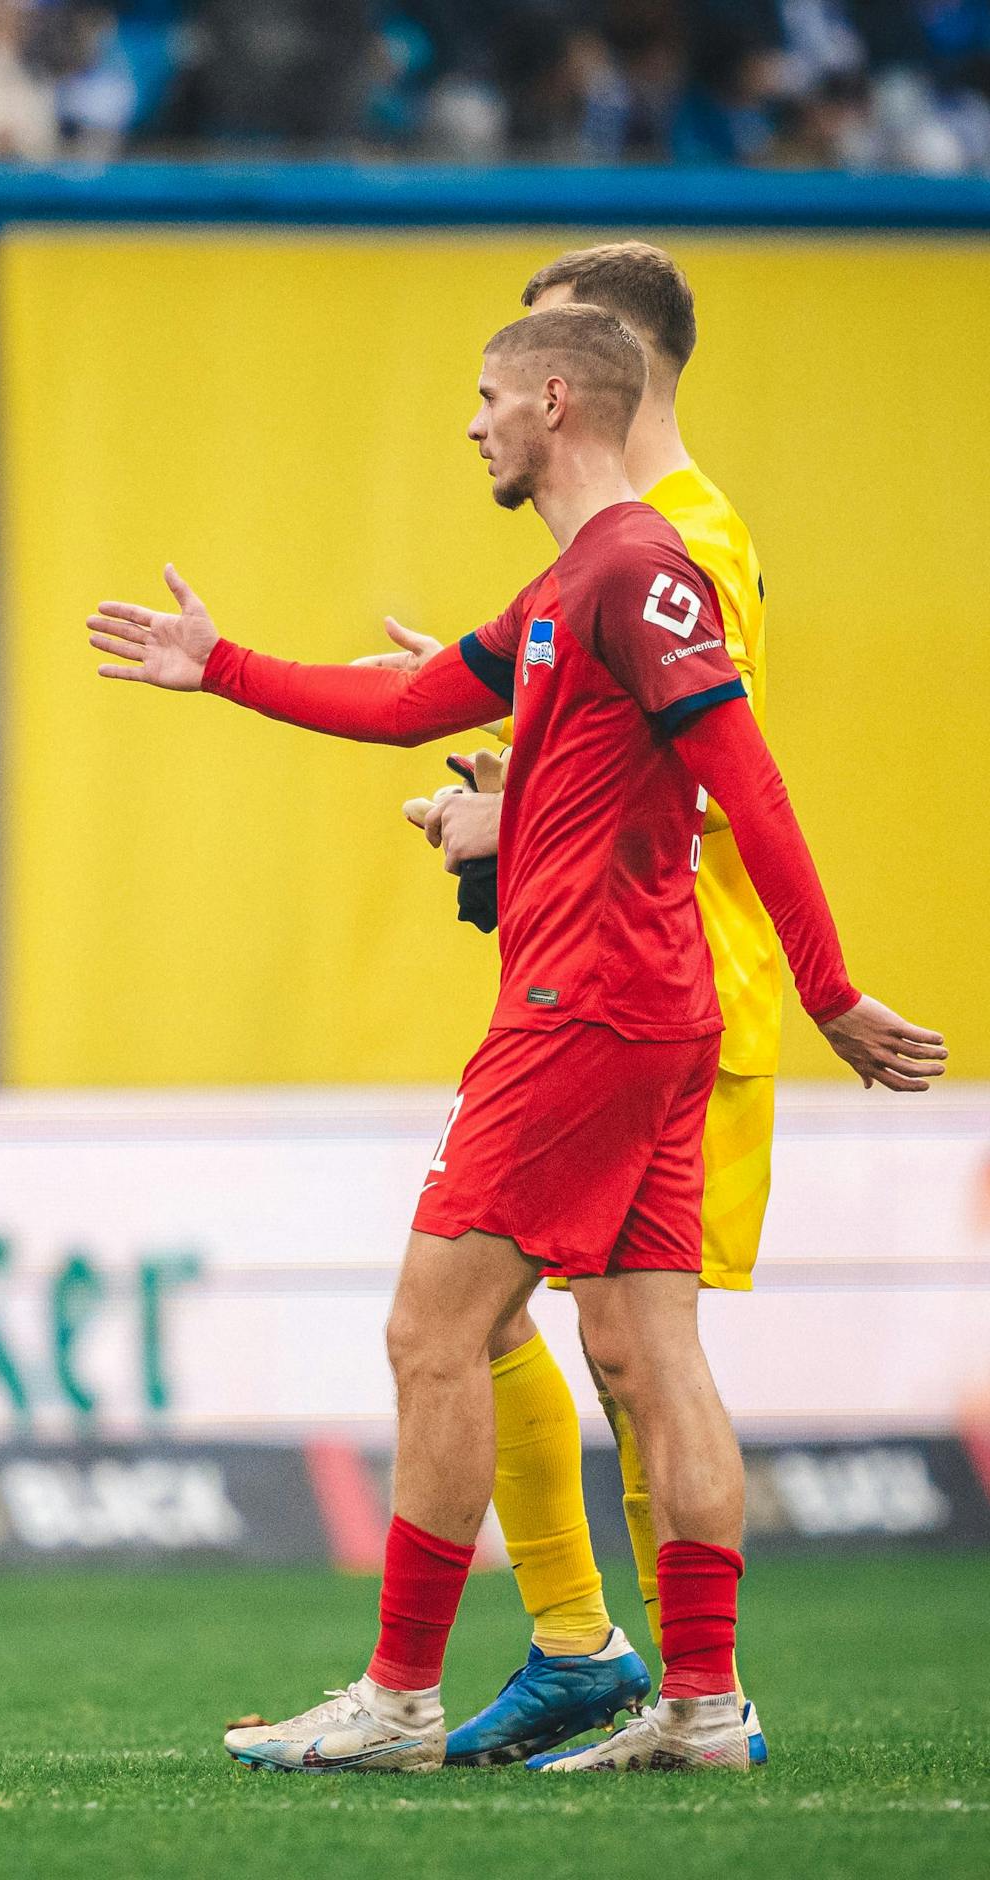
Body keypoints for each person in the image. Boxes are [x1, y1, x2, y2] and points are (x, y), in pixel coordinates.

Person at [85, 303, 942, 1774]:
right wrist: (221, 665)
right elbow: (416, 699)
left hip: (588, 1014)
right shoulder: (574, 584)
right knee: (652, 1353)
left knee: (438, 1328)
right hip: (649, 1009)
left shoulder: (640, 571)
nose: (470, 423)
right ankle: (702, 1709)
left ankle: (401, 1698)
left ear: (557, 400)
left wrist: (827, 987)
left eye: (486, 398)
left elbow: (756, 780)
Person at [374, 241, 783, 1768]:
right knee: (591, 1341)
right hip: (641, 979)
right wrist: (520, 762)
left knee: (562, 1338)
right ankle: (645, 1679)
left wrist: (518, 798)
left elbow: (716, 772)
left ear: (597, 364)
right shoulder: (610, 550)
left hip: (664, 984)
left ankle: (623, 1665)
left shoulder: (680, 541)